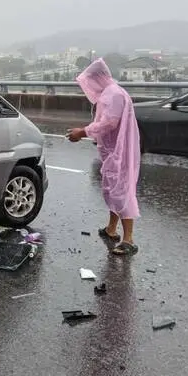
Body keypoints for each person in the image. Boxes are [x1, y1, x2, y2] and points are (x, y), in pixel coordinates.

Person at [66, 58, 141, 256]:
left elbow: (109, 123)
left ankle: (129, 240)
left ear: (98, 77)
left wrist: (82, 132)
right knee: (113, 189)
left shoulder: (114, 94)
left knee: (121, 191)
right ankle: (111, 229)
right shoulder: (111, 92)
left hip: (119, 152)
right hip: (112, 151)